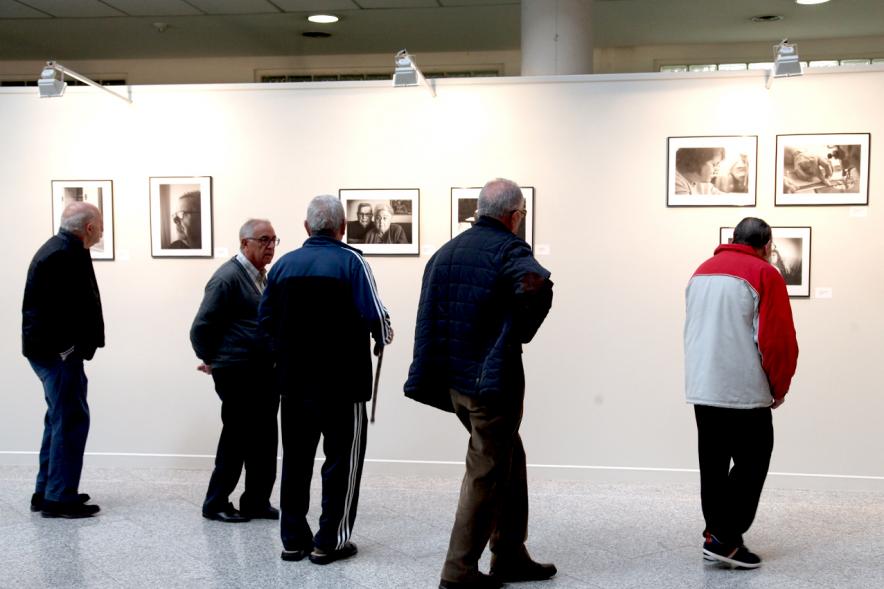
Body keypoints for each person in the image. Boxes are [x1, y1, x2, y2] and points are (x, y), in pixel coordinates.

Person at [405, 178, 555, 589]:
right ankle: (459, 572)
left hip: (456, 383)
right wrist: (517, 331)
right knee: (485, 471)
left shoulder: (445, 252)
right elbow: (537, 285)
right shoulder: (509, 248)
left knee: (509, 455)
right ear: (513, 215)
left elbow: (430, 317)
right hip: (489, 383)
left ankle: (509, 552)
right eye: (521, 215)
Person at [259, 195, 393, 565]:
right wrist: (384, 335)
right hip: (342, 386)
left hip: (294, 385)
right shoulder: (352, 261)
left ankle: (292, 540)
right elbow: (376, 318)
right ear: (342, 227)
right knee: (342, 464)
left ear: (306, 227)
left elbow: (265, 322)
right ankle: (329, 542)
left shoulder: (283, 265)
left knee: (296, 462)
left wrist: (286, 355)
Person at [684, 216, 799, 569]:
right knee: (753, 460)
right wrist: (779, 387)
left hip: (703, 386)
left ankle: (715, 535)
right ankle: (724, 538)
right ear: (766, 246)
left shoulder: (701, 271)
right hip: (743, 389)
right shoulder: (765, 274)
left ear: (733, 238)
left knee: (714, 465)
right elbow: (777, 341)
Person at [190, 219, 281, 523]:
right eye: (264, 240)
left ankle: (256, 501)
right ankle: (215, 502)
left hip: (263, 370)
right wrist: (213, 358)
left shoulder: (261, 277)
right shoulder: (227, 277)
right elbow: (201, 327)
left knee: (265, 438)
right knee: (237, 437)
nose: (270, 246)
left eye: (273, 240)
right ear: (245, 243)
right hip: (238, 372)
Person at [22, 202, 104, 518]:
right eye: (101, 223)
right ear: (89, 228)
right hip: (57, 356)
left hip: (55, 354)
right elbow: (53, 314)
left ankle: (48, 490)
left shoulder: (66, 249)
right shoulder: (60, 255)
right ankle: (58, 497)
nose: (103, 230)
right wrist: (67, 351)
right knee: (70, 420)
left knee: (59, 419)